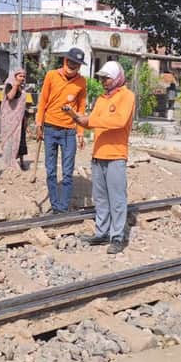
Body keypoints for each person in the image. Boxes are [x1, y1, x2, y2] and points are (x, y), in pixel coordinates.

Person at [65, 61, 135, 254]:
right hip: (98, 154)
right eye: (102, 78)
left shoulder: (127, 96)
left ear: (117, 78)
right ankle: (102, 232)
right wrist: (76, 117)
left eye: (107, 78)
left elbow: (119, 121)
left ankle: (117, 237)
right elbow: (91, 122)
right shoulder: (102, 99)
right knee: (101, 198)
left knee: (117, 199)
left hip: (116, 155)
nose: (103, 81)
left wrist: (91, 120)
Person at [35, 47, 87, 214]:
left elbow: (81, 109)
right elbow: (43, 102)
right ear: (65, 60)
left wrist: (80, 132)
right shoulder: (51, 76)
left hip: (69, 132)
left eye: (77, 64)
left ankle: (62, 208)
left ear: (80, 66)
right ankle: (55, 205)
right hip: (50, 129)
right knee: (51, 171)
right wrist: (39, 124)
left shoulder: (81, 82)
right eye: (71, 62)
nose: (73, 66)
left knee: (67, 172)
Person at [0, 68, 28, 170]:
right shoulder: (10, 85)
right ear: (15, 76)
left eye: (24, 76)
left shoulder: (22, 88)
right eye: (20, 76)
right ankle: (10, 161)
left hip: (20, 119)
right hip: (10, 120)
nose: (22, 78)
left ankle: (21, 161)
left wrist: (25, 119)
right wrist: (15, 85)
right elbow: (10, 97)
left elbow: (22, 105)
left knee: (21, 141)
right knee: (10, 140)